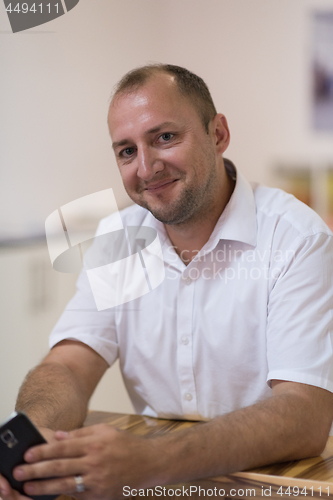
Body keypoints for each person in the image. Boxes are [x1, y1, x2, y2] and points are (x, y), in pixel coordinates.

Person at [1, 64, 333, 500]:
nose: (146, 167)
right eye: (125, 151)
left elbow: (303, 416)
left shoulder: (297, 237)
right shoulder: (120, 240)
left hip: (274, 483)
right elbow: (69, 364)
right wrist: (36, 441)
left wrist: (152, 462)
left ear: (218, 134)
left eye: (164, 138)